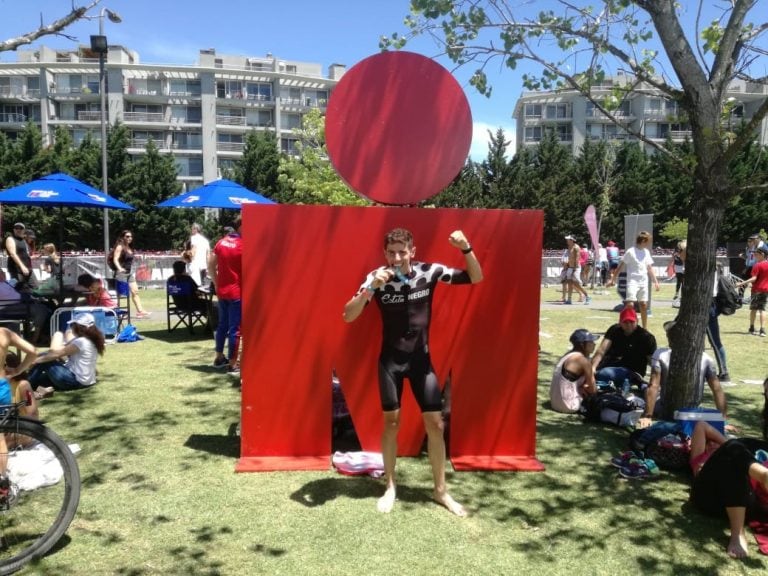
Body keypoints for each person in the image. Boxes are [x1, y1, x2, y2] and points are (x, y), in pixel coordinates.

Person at [343, 228, 483, 516]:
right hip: (390, 363)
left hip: (421, 361)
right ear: (385, 254)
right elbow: (348, 315)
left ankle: (441, 491)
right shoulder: (377, 277)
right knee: (391, 425)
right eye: (391, 252)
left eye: (402, 252)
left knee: (436, 425)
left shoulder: (429, 272)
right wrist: (370, 288)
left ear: (412, 251)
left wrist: (466, 248)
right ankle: (390, 486)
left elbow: (475, 277)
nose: (397, 258)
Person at [689, 420, 768, 559]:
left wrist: (727, 446)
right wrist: (725, 445)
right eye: (709, 442)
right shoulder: (699, 458)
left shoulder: (737, 455)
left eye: (715, 442)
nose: (712, 444)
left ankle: (763, 476)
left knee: (734, 456)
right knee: (732, 450)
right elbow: (701, 426)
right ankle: (737, 534)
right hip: (709, 497)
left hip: (744, 502)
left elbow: (732, 449)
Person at [639, 320, 727, 427]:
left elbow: (653, 386)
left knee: (644, 391)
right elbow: (717, 389)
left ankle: (640, 384)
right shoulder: (706, 358)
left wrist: (647, 415)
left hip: (665, 408)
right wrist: (723, 419)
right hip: (693, 411)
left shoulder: (660, 354)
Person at [28, 312, 105, 391]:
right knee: (40, 378)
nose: (71, 328)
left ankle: (26, 383)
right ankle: (29, 382)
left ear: (79, 327)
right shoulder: (90, 340)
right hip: (83, 381)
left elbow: (56, 354)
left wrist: (34, 361)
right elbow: (60, 351)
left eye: (72, 325)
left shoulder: (81, 342)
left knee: (45, 360)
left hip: (74, 381)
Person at [208, 217, 242, 373]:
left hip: (222, 291)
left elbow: (210, 265)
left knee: (222, 325)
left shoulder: (221, 242)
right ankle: (233, 364)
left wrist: (216, 283)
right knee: (235, 329)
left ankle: (219, 357)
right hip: (237, 292)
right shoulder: (244, 244)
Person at [592, 306, 657, 387]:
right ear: (620, 322)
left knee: (604, 374)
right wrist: (593, 367)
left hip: (632, 371)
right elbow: (602, 350)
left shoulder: (646, 337)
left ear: (637, 321)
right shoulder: (614, 330)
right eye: (625, 322)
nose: (629, 325)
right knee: (583, 367)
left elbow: (653, 362)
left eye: (632, 322)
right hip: (610, 364)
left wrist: (654, 382)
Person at [609, 230, 660, 328]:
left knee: (644, 305)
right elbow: (621, 265)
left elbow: (649, 267)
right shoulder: (630, 251)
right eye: (648, 241)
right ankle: (626, 323)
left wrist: (655, 282)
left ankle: (645, 328)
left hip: (643, 281)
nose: (649, 243)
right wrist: (613, 278)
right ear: (643, 241)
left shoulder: (646, 252)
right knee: (630, 305)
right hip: (632, 281)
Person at [550, 329, 599, 413]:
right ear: (582, 345)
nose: (594, 344)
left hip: (554, 402)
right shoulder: (583, 361)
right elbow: (593, 390)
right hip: (569, 405)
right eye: (590, 342)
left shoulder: (568, 355)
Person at [0, 269, 51, 345]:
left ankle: (42, 335)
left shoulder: (4, 283)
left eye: (3, 272)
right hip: (6, 309)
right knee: (40, 309)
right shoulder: (1, 286)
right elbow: (14, 298)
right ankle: (34, 339)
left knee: (46, 305)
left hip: (16, 305)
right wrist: (27, 296)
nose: (3, 274)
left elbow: (14, 295)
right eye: (1, 273)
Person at [112, 230, 150, 318]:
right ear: (123, 237)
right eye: (127, 236)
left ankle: (140, 311)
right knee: (119, 293)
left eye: (131, 236)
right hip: (121, 273)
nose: (129, 238)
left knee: (135, 291)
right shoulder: (120, 246)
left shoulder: (129, 248)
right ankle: (116, 311)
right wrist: (119, 268)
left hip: (129, 273)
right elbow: (115, 259)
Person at [737, 245, 768, 337]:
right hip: (765, 290)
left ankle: (752, 327)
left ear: (762, 255)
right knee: (762, 309)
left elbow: (754, 278)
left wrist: (742, 283)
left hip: (756, 290)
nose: (754, 256)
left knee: (754, 309)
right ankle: (762, 330)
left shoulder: (757, 265)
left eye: (756, 254)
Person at [708, 264, 731, 381]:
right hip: (710, 305)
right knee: (715, 341)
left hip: (708, 305)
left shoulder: (705, 265)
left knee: (715, 341)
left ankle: (724, 372)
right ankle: (724, 372)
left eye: (680, 250)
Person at [3, 222, 37, 290]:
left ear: (24, 230)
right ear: (13, 230)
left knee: (35, 287)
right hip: (17, 270)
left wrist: (33, 257)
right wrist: (22, 266)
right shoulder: (10, 239)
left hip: (28, 269)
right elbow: (13, 254)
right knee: (20, 290)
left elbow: (25, 255)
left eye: (21, 228)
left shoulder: (24, 240)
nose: (18, 230)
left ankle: (32, 300)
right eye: (16, 228)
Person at [564, 235, 590, 305]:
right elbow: (569, 258)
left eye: (568, 239)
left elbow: (577, 258)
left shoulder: (576, 247)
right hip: (570, 267)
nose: (567, 240)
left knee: (576, 284)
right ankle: (569, 299)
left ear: (572, 240)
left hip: (576, 268)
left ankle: (587, 296)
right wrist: (567, 265)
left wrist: (574, 269)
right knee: (570, 283)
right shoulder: (569, 247)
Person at [671, 240, 686, 306]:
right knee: (680, 281)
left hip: (680, 267)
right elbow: (673, 258)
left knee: (682, 282)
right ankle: (677, 293)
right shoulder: (677, 251)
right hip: (678, 267)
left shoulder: (682, 251)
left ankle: (680, 295)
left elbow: (682, 259)